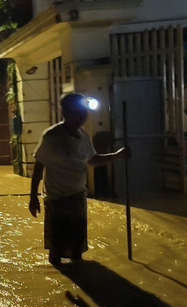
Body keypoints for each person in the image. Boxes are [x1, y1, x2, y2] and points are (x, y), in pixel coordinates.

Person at [29, 93, 131, 265]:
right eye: (77, 113)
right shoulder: (52, 136)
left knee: (77, 248)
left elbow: (91, 159)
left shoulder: (83, 135)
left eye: (83, 113)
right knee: (56, 250)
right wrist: (33, 197)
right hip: (56, 200)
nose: (81, 117)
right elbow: (39, 167)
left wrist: (117, 156)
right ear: (65, 113)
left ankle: (81, 277)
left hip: (78, 197)